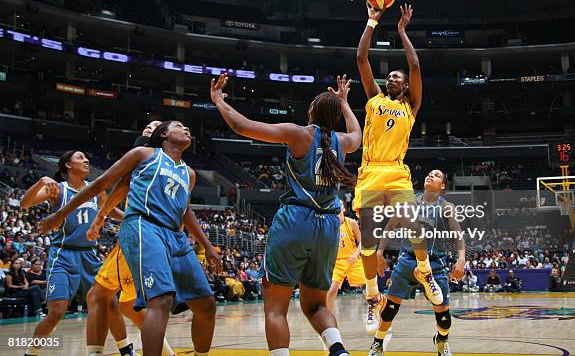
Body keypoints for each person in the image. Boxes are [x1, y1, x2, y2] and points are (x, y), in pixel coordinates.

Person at [211, 73, 361, 356]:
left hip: (296, 220)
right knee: (316, 305)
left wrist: (219, 100)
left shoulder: (299, 134)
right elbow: (358, 135)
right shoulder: (342, 142)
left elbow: (240, 125)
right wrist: (345, 103)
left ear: (311, 111)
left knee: (276, 308)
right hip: (328, 226)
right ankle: (339, 351)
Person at [39, 121, 216, 356]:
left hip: (174, 236)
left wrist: (207, 246)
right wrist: (61, 214)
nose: (186, 129)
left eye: (187, 127)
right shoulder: (144, 154)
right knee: (157, 300)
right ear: (163, 134)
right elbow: (104, 183)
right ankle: (118, 349)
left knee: (206, 305)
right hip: (144, 226)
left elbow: (185, 211)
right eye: (179, 125)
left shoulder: (189, 173)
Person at [355, 2, 441, 333]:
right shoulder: (374, 98)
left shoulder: (411, 106)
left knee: (413, 221)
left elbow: (415, 65)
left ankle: (425, 270)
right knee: (368, 241)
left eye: (397, 77)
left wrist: (402, 30)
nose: (391, 77)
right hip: (370, 171)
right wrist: (372, 22)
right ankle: (371, 292)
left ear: (404, 86)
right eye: (389, 75)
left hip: (396, 170)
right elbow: (362, 59)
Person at [20, 151, 132, 356]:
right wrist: (42, 181)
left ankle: (126, 350)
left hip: (90, 256)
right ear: (68, 166)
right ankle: (31, 353)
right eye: (80, 158)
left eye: (86, 158)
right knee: (57, 311)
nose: (86, 160)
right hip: (63, 255)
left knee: (110, 304)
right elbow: (24, 203)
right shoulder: (57, 190)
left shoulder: (95, 190)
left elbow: (107, 209)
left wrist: (131, 219)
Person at [367, 169, 466, 356]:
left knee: (444, 318)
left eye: (437, 175)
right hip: (407, 260)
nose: (431, 176)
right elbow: (389, 227)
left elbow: (458, 235)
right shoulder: (408, 202)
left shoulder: (447, 207)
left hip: (435, 264)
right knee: (390, 308)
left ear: (443, 185)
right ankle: (378, 343)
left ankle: (442, 340)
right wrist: (379, 253)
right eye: (429, 174)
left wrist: (461, 260)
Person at [326, 202, 365, 312]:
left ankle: (380, 317)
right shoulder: (328, 225)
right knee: (331, 290)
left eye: (340, 205)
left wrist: (355, 254)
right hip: (336, 263)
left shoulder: (351, 222)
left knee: (369, 289)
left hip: (352, 260)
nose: (337, 207)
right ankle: (328, 319)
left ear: (343, 208)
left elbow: (362, 242)